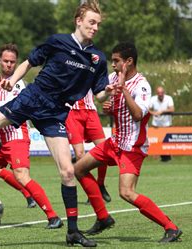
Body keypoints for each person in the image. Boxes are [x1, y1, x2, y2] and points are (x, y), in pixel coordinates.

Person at [0, 1, 109, 246]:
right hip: (33, 98)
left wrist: (110, 90)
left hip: (56, 113)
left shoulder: (98, 58)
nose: (95, 27)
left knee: (68, 171)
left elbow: (100, 94)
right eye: (92, 22)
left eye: (98, 24)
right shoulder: (57, 41)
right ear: (78, 20)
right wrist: (12, 81)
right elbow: (29, 61)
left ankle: (73, 232)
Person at [74, 42, 182, 243]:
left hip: (132, 147)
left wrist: (122, 90)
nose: (113, 65)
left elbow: (138, 114)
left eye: (116, 61)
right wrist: (108, 106)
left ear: (129, 62)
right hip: (114, 142)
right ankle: (103, 217)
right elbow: (104, 99)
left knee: (126, 192)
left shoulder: (142, 85)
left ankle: (171, 227)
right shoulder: (114, 77)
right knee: (78, 169)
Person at [0, 44, 64, 224]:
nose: (9, 65)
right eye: (6, 61)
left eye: (12, 62)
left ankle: (53, 216)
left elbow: (12, 109)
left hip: (16, 136)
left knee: (22, 176)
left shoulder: (17, 84)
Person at [66, 91, 111, 203]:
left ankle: (100, 184)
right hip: (72, 112)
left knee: (104, 150)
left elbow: (99, 92)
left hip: (90, 110)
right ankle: (92, 193)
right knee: (79, 155)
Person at [149, 86, 175, 162]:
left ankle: (168, 157)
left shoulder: (169, 98)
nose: (160, 94)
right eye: (159, 93)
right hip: (156, 124)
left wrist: (161, 111)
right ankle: (156, 158)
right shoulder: (153, 99)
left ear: (164, 93)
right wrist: (154, 113)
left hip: (167, 124)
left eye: (161, 93)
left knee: (167, 142)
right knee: (156, 142)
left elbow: (172, 109)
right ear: (157, 93)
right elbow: (148, 109)